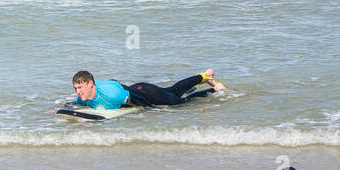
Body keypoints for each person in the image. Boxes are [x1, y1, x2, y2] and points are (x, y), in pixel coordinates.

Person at [71, 69, 226, 110]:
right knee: (172, 90)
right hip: (137, 88)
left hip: (148, 93)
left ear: (91, 83)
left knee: (180, 102)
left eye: (80, 87)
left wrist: (153, 110)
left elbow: (138, 100)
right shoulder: (83, 96)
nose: (78, 91)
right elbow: (75, 103)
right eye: (76, 88)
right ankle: (205, 76)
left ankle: (215, 90)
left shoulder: (112, 95)